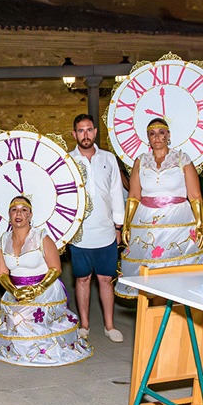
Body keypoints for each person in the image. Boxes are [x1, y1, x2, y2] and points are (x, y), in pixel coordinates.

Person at [0, 197, 91, 366]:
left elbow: (56, 268)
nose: (19, 213)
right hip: (16, 290)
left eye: (24, 210)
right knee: (16, 319)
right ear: (9, 214)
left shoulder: (41, 237)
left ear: (30, 215)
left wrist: (37, 289)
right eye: (14, 209)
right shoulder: (3, 239)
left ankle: (39, 349)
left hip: (45, 289)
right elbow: (1, 273)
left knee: (21, 319)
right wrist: (14, 291)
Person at [118, 118, 203, 297]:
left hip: (178, 222)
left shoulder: (182, 159)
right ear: (147, 138)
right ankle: (152, 309)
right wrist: (127, 224)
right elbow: (134, 195)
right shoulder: (141, 161)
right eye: (152, 133)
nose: (157, 137)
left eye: (161, 133)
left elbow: (195, 196)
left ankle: (176, 307)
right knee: (149, 271)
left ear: (168, 135)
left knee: (176, 268)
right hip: (146, 223)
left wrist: (200, 225)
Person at [67, 114, 125, 342]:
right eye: (81, 131)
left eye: (89, 130)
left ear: (95, 132)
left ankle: (110, 326)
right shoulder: (67, 161)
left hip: (106, 232)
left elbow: (116, 193)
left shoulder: (109, 158)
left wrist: (118, 226)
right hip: (79, 234)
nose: (86, 135)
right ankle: (84, 325)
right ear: (74, 134)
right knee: (82, 279)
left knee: (105, 279)